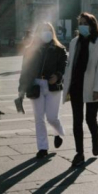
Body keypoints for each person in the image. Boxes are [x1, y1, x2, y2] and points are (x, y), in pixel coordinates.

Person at [63, 12, 98, 168]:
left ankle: (95, 139)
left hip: (91, 86)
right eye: (80, 23)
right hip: (75, 85)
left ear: (92, 25)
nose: (82, 26)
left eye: (85, 23)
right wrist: (66, 84)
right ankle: (79, 153)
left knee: (90, 119)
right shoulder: (74, 42)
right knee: (77, 121)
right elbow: (71, 64)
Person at [18, 22, 67, 159]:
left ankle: (58, 133)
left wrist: (57, 76)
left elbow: (64, 66)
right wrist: (21, 90)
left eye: (49, 30)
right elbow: (25, 71)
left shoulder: (59, 49)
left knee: (52, 117)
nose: (46, 33)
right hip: (36, 85)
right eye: (43, 30)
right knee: (39, 118)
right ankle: (43, 148)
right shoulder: (30, 49)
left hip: (53, 85)